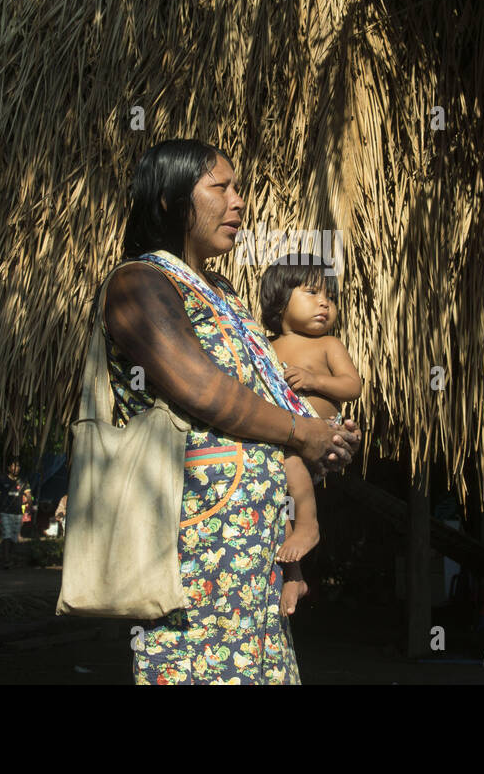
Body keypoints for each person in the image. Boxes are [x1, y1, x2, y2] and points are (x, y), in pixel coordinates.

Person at [100, 139, 361, 684]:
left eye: (238, 187)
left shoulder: (222, 294)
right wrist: (301, 431)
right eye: (221, 187)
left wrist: (323, 440)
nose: (239, 201)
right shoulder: (140, 283)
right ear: (171, 201)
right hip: (196, 551)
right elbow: (205, 392)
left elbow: (269, 405)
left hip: (254, 558)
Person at [259, 254, 364, 612]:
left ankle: (310, 523)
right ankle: (294, 576)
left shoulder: (328, 345)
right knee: (278, 506)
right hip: (281, 439)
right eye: (312, 293)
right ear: (280, 301)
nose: (325, 303)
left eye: (330, 297)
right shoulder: (264, 347)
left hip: (320, 435)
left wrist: (315, 379)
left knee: (292, 465)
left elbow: (353, 386)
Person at [0, 459, 30, 569]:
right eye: (14, 466)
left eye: (18, 466)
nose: (16, 468)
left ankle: (10, 558)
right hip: (5, 512)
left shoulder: (23, 482)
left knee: (14, 538)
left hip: (18, 513)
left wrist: (28, 508)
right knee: (7, 535)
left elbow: (28, 496)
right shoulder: (2, 480)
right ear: (9, 467)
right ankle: (6, 560)